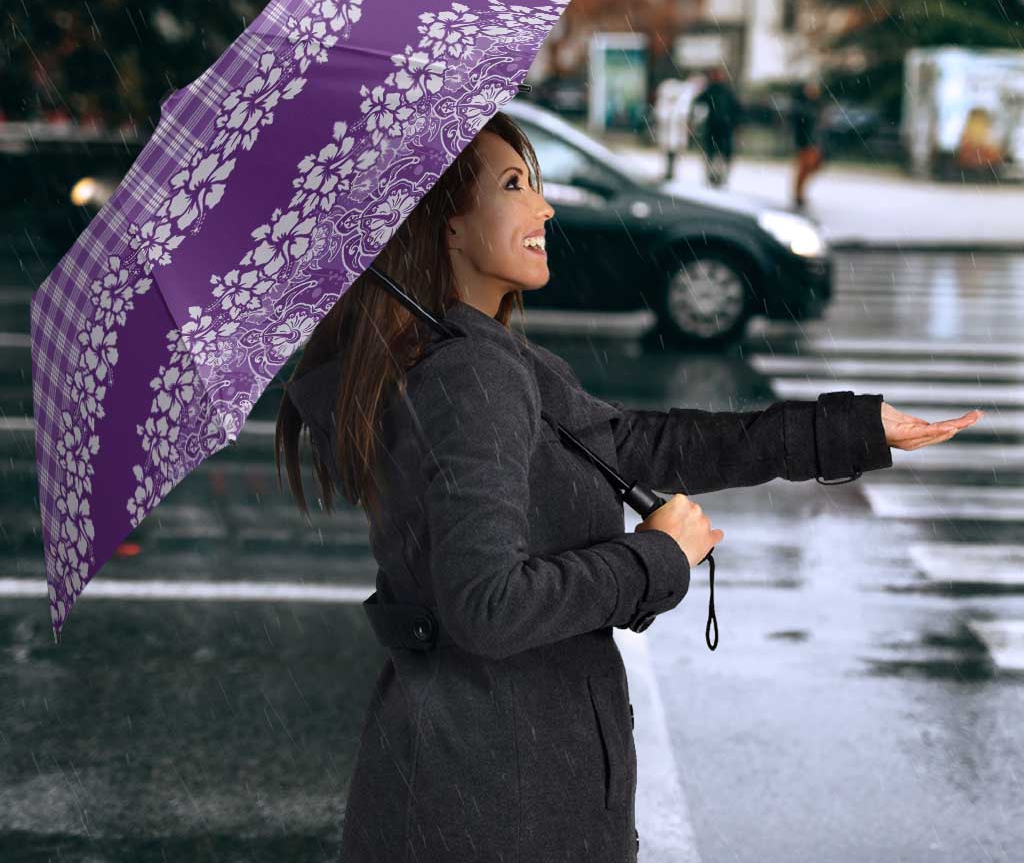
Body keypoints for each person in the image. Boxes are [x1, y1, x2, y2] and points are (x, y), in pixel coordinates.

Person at [275, 110, 976, 863]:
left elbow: (638, 444)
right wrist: (656, 558)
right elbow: (487, 607)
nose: (544, 207)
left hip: (481, 779)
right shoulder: (469, 376)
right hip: (500, 802)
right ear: (445, 224)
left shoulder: (475, 356)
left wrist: (850, 430)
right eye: (514, 185)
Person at [692, 65, 742, 188]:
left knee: (720, 154)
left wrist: (735, 123)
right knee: (713, 153)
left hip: (723, 127)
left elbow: (736, 109)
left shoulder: (725, 91)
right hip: (715, 127)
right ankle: (713, 176)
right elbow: (698, 103)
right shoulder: (712, 90)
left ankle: (719, 176)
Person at [790, 78, 826, 209]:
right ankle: (798, 194)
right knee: (804, 168)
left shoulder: (817, 105)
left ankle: (799, 193)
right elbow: (799, 125)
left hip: (814, 142)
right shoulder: (802, 106)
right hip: (805, 142)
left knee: (812, 167)